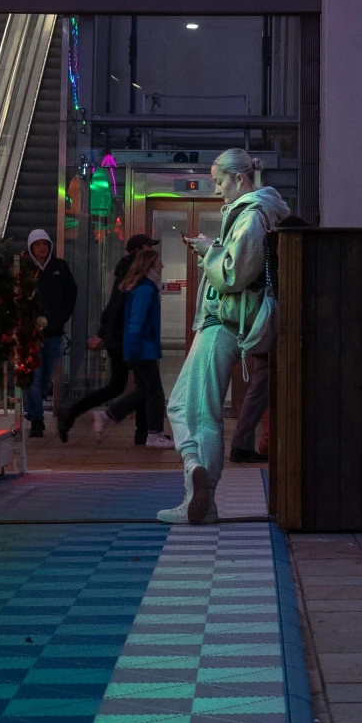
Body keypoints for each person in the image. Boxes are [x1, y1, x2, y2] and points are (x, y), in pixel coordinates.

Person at [161, 149, 287, 525]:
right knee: (183, 404)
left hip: (223, 324)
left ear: (239, 178)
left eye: (218, 181)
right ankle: (196, 473)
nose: (216, 190)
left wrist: (207, 250)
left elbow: (233, 275)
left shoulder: (251, 215)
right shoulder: (258, 213)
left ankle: (201, 490)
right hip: (225, 324)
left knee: (198, 410)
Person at [56, 232, 155, 441]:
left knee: (132, 385)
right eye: (148, 247)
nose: (152, 251)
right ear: (138, 251)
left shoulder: (127, 269)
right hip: (122, 338)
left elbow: (112, 307)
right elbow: (115, 307)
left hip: (120, 337)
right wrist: (107, 335)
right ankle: (84, 414)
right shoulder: (131, 272)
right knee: (139, 386)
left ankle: (141, 432)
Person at [228, 209, 306, 463]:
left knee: (261, 388)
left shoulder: (265, 252)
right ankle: (243, 445)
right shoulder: (282, 257)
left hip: (261, 327)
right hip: (273, 329)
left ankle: (251, 443)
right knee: (261, 389)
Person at [83, 245, 167, 446]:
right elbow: (136, 321)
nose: (162, 265)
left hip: (139, 348)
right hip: (142, 349)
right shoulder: (145, 289)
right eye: (158, 263)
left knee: (144, 391)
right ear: (149, 266)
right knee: (155, 392)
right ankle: (154, 434)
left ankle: (108, 415)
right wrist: (136, 349)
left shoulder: (141, 288)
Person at [22, 226, 76, 436]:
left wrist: (62, 316)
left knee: (46, 378)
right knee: (34, 378)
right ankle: (37, 419)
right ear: (31, 247)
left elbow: (72, 292)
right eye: (38, 245)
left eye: (45, 244)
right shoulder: (26, 269)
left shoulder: (60, 267)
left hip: (53, 333)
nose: (42, 248)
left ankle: (34, 406)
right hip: (31, 335)